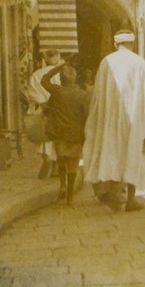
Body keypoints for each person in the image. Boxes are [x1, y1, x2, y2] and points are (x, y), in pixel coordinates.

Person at [83, 30, 145, 212]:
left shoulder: (106, 62)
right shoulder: (140, 63)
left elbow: (98, 96)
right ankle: (131, 199)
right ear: (132, 44)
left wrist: (98, 118)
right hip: (133, 119)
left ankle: (112, 194)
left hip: (109, 119)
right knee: (133, 154)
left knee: (111, 153)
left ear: (116, 45)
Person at [41, 62, 90, 204]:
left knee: (61, 160)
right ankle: (70, 196)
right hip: (76, 134)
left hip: (60, 133)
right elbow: (86, 115)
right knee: (73, 164)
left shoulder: (57, 91)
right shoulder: (82, 94)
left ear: (61, 79)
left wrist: (56, 68)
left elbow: (44, 80)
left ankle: (62, 185)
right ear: (74, 78)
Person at [27, 49, 61, 177]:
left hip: (42, 109)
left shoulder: (37, 74)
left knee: (44, 136)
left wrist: (42, 103)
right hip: (57, 109)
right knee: (56, 137)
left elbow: (32, 93)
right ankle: (55, 167)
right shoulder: (60, 73)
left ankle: (46, 159)